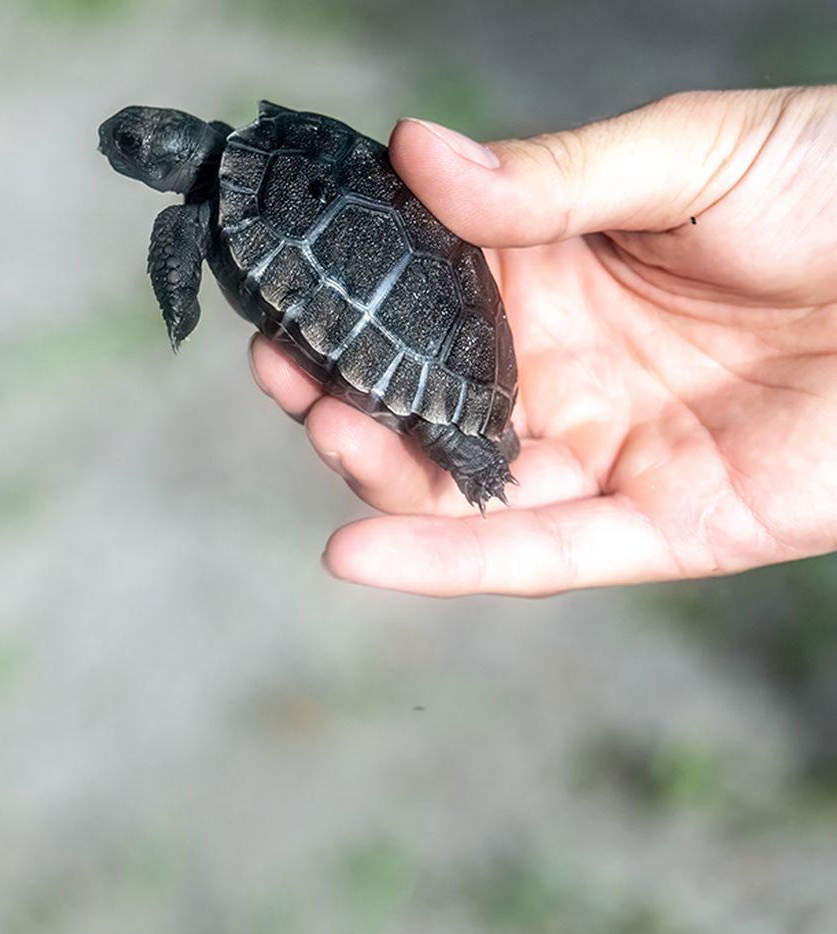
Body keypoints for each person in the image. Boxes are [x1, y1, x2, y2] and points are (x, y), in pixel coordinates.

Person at [247, 87, 837, 599]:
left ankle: (476, 450)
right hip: (447, 343)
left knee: (441, 434)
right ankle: (477, 439)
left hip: (433, 340)